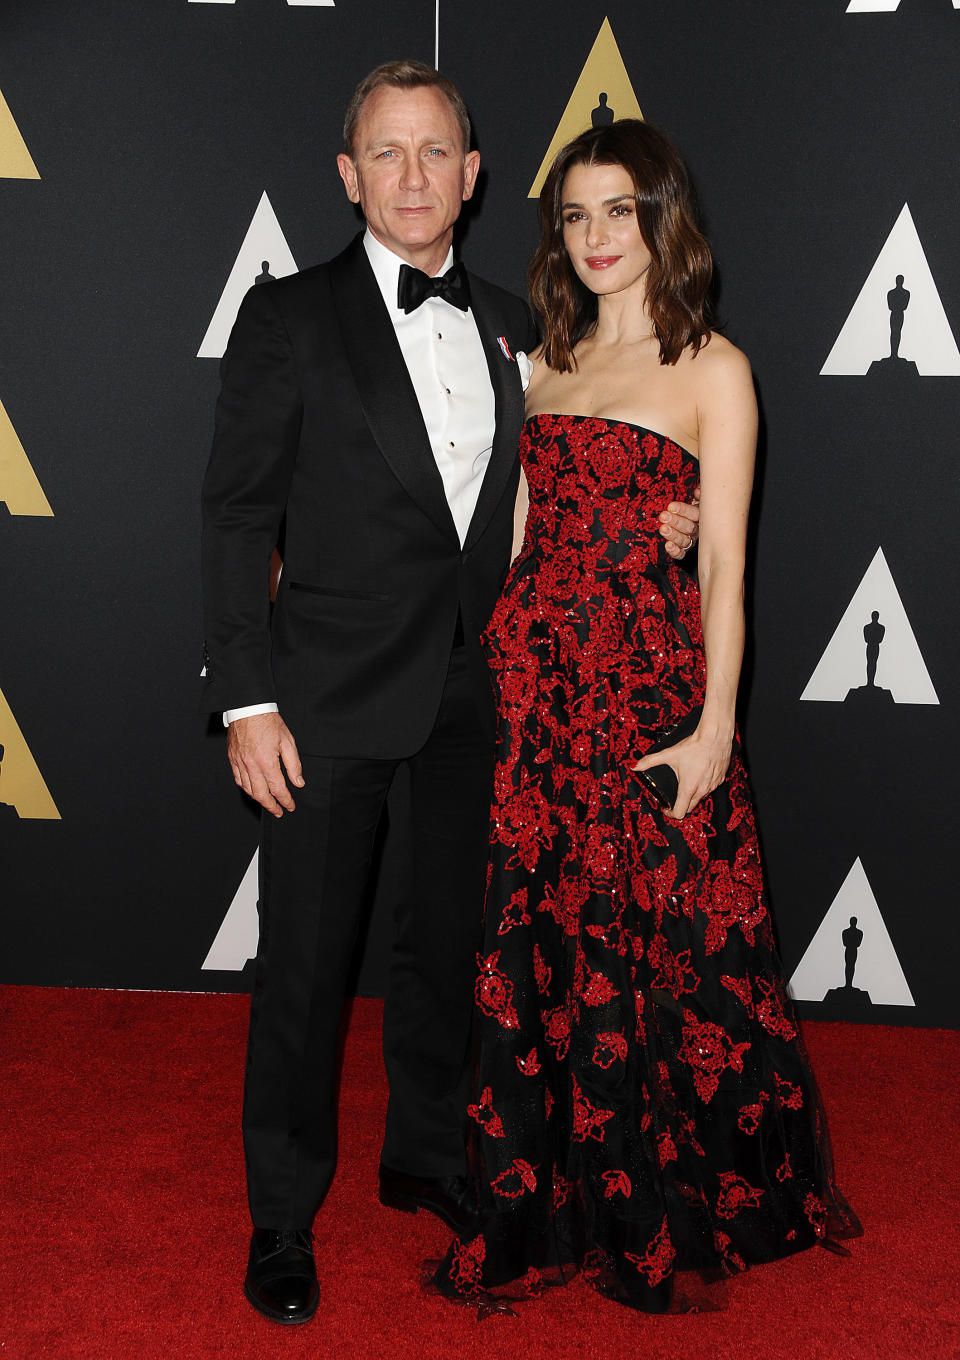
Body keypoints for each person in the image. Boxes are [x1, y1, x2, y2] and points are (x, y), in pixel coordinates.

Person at [200, 68, 700, 1325]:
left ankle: (424, 1154)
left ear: (475, 176)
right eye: (388, 150)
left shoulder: (517, 325)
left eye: (438, 151)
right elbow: (234, 516)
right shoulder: (288, 318)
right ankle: (280, 1217)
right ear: (348, 174)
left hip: (482, 702)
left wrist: (667, 521)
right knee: (306, 970)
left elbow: (587, 475)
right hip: (319, 707)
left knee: (445, 959)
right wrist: (245, 699)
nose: (414, 174)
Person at [434, 119, 859, 1313]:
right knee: (547, 946)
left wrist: (717, 725)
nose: (594, 237)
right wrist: (496, 678)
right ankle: (544, 1189)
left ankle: (656, 1201)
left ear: (662, 216)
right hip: (536, 697)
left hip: (644, 694)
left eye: (617, 210)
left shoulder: (714, 367)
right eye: (573, 216)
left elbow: (723, 563)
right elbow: (518, 537)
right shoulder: (544, 360)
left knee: (657, 952)